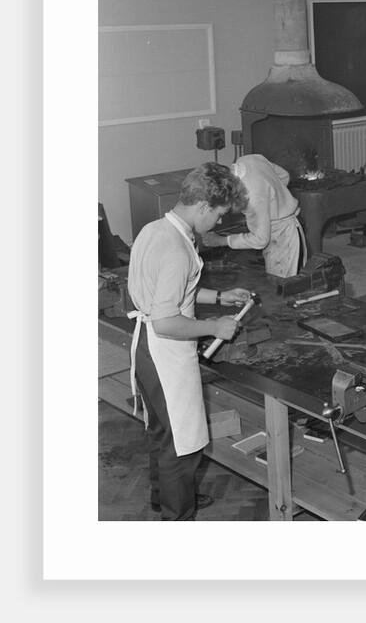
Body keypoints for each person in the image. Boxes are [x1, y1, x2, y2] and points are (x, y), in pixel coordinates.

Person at [127, 163, 252, 520]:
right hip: (163, 352)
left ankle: (163, 496)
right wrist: (215, 326)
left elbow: (167, 294)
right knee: (184, 446)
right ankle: (177, 517)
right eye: (219, 215)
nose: (217, 223)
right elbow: (167, 321)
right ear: (203, 206)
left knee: (162, 432)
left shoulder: (155, 229)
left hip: (145, 345)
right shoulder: (177, 250)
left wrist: (218, 296)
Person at [201, 153, 305, 279]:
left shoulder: (251, 196)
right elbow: (284, 176)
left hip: (283, 238)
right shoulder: (249, 159)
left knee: (279, 286)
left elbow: (260, 240)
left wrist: (221, 241)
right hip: (287, 225)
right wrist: (269, 207)